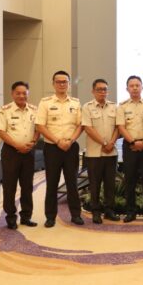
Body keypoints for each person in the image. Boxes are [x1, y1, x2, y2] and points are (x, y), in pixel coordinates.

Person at [36, 70, 84, 227]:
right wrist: (57, 141)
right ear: (53, 84)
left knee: (72, 183)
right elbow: (40, 126)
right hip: (52, 148)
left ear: (69, 84)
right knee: (52, 183)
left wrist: (70, 140)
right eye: (58, 81)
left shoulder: (75, 103)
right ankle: (50, 217)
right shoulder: (45, 103)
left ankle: (76, 215)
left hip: (71, 147)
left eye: (65, 82)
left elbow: (80, 125)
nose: (62, 84)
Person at [0, 81, 39, 229]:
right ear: (12, 94)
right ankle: (11, 217)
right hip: (11, 152)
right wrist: (17, 145)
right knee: (10, 186)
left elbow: (38, 129)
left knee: (27, 186)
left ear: (28, 93)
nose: (21, 96)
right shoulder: (5, 110)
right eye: (18, 93)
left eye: (24, 93)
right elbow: (0, 131)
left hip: (28, 152)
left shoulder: (34, 110)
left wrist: (33, 142)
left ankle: (26, 216)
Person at [117, 76, 143, 222]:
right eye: (131, 86)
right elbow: (121, 127)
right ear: (127, 88)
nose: (134, 88)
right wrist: (133, 142)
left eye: (137, 85)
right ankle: (130, 211)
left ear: (142, 87)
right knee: (130, 180)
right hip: (130, 146)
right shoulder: (122, 106)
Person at [82, 79, 119, 224]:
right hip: (94, 153)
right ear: (93, 91)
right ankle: (96, 212)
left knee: (110, 184)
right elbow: (88, 128)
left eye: (105, 89)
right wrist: (104, 143)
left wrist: (111, 143)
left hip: (111, 152)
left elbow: (118, 127)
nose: (102, 92)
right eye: (99, 89)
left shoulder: (114, 107)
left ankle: (109, 211)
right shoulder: (87, 107)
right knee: (94, 184)